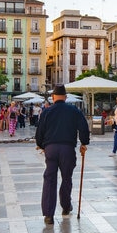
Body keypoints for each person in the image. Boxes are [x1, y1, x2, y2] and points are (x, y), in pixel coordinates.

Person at [35, 85, 90, 225]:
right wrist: (84, 142)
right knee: (67, 178)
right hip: (67, 148)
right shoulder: (74, 110)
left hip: (51, 149)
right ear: (65, 97)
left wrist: (42, 145)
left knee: (49, 179)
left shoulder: (46, 112)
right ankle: (66, 206)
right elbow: (83, 127)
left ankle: (48, 215)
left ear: (53, 98)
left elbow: (39, 132)